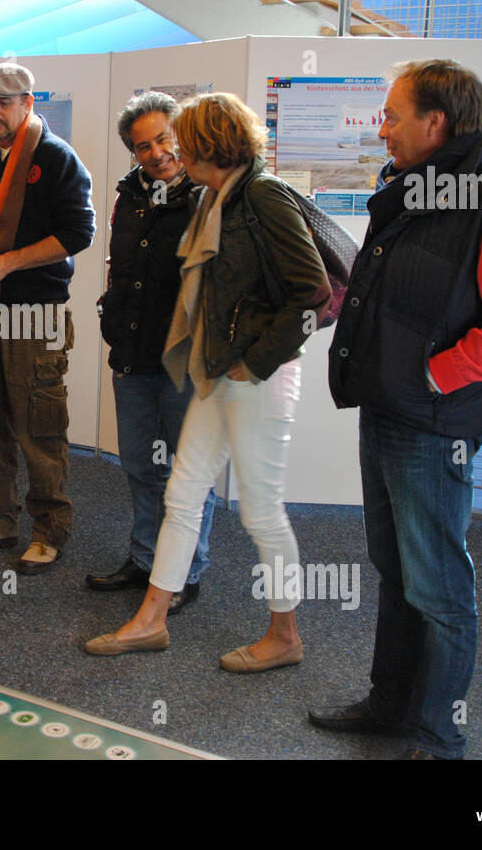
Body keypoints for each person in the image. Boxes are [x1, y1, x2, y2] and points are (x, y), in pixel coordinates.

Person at [311, 59, 482, 759]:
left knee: (441, 589)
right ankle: (391, 705)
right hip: (386, 413)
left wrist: (434, 377)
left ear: (435, 123)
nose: (380, 128)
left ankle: (439, 736)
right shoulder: (412, 191)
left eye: (390, 115)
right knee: (396, 572)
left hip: (432, 426)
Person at [84, 92, 330, 668]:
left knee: (261, 512)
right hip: (219, 372)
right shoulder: (221, 197)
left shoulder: (262, 197)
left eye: (178, 140)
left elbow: (312, 292)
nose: (170, 151)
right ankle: (150, 621)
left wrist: (258, 360)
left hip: (256, 378)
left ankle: (285, 636)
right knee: (183, 494)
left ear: (207, 145)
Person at [0, 63, 94, 574]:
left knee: (39, 426)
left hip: (36, 312)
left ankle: (49, 530)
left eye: (3, 102)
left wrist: (6, 263)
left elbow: (79, 233)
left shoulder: (56, 158)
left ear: (29, 104)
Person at [87, 92, 217, 614]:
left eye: (164, 138)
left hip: (188, 361)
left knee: (188, 473)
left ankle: (184, 571)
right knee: (141, 466)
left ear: (182, 136)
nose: (157, 152)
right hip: (134, 354)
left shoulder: (209, 195)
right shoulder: (129, 197)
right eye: (143, 146)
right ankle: (145, 560)